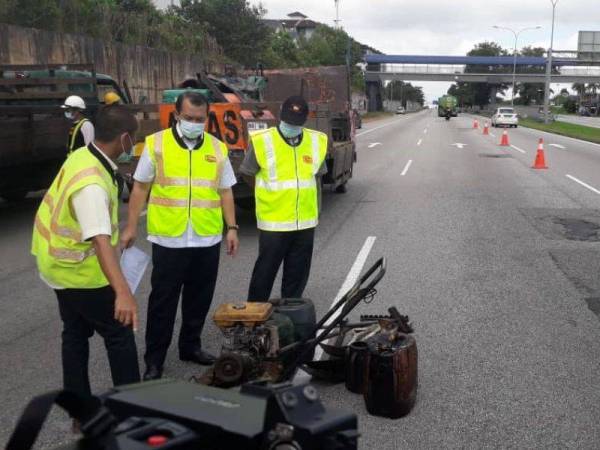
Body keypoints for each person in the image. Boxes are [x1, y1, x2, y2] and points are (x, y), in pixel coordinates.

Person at [121, 91, 239, 381]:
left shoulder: (216, 147)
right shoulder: (156, 144)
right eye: (188, 118)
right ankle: (154, 359)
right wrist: (131, 226)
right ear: (176, 116)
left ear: (206, 119)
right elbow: (139, 188)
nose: (194, 123)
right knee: (163, 302)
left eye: (200, 119)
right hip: (169, 238)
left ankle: (190, 346)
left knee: (199, 299)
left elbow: (225, 191)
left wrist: (232, 227)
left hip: (206, 237)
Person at [31, 105, 141, 400]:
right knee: (120, 334)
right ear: (125, 139)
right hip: (79, 274)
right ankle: (132, 412)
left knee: (75, 333)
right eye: (134, 140)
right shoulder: (92, 183)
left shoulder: (82, 155)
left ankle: (79, 408)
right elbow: (100, 240)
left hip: (56, 266)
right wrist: (123, 293)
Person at [240, 96, 328, 301]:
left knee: (297, 274)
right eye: (288, 121)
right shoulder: (263, 140)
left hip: (305, 222)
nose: (292, 126)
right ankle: (256, 313)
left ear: (305, 120)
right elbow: (247, 172)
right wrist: (267, 193)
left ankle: (291, 314)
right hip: (274, 223)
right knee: (265, 272)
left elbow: (317, 176)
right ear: (281, 116)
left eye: (296, 122)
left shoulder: (316, 141)